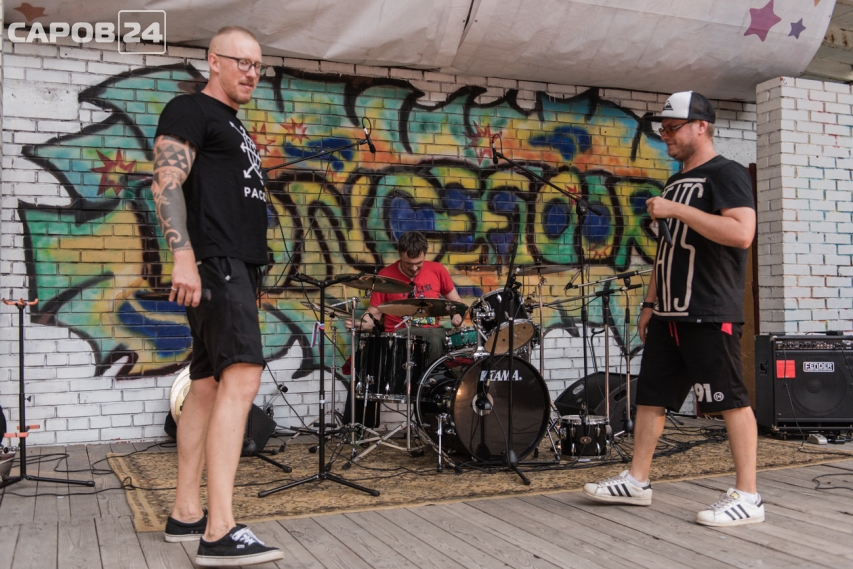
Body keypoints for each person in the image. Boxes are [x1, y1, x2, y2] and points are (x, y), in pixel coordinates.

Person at [583, 91, 762, 527]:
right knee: (652, 398)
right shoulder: (674, 181)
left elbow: (742, 233)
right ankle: (637, 480)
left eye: (672, 128)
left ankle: (748, 496)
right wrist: (649, 304)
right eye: (661, 129)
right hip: (668, 312)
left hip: (709, 309)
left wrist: (676, 209)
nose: (665, 136)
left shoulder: (727, 173)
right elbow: (667, 251)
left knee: (731, 401)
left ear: (701, 126)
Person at [152, 27, 284, 566]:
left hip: (234, 267)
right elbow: (165, 182)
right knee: (243, 376)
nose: (251, 73)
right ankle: (220, 530)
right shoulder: (191, 109)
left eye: (258, 65)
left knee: (205, 386)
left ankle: (187, 512)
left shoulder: (233, 124)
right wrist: (183, 256)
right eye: (241, 62)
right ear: (213, 61)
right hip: (216, 262)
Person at [346, 231, 464, 365]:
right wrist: (360, 323)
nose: (414, 268)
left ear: (425, 254)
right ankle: (430, 377)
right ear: (399, 254)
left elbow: (456, 302)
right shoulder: (386, 276)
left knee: (462, 338)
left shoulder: (438, 270)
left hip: (434, 330)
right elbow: (374, 313)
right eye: (408, 263)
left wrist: (457, 315)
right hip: (400, 333)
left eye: (419, 263)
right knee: (434, 340)